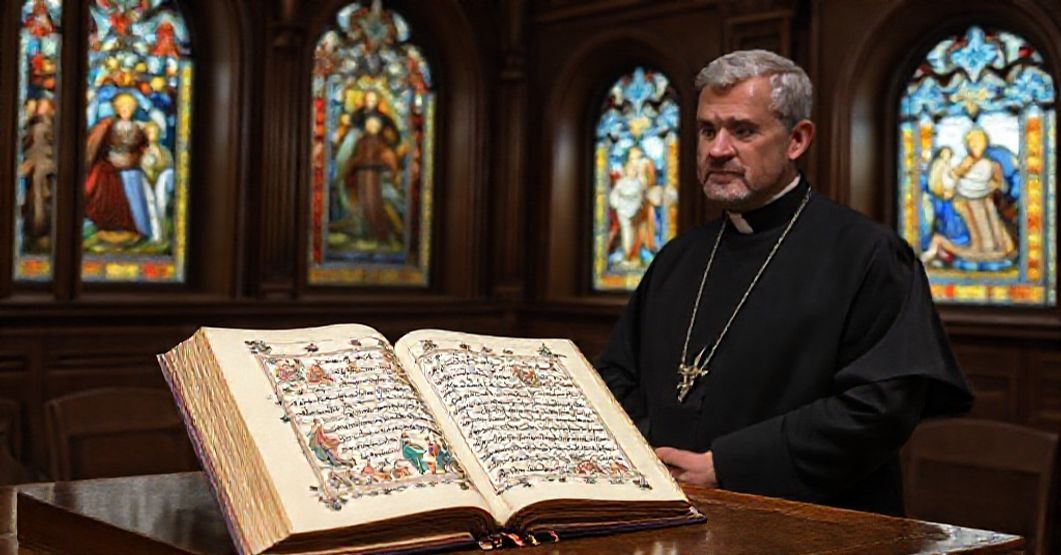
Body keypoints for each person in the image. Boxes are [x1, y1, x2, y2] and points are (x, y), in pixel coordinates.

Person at [594, 50, 972, 516]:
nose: (717, 149)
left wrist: (727, 465)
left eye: (743, 130)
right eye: (708, 130)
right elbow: (615, 376)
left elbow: (880, 407)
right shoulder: (678, 257)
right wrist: (648, 450)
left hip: (813, 527)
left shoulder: (869, 254)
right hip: (667, 513)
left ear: (797, 139)